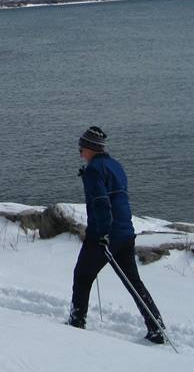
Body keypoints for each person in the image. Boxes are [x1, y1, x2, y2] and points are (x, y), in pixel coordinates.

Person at [68, 126, 167, 344]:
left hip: (104, 236)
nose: (80, 152)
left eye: (81, 148)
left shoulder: (94, 170)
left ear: (90, 148)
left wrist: (102, 234)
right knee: (134, 283)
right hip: (125, 233)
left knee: (82, 276)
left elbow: (101, 204)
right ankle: (157, 328)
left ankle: (76, 322)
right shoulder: (115, 166)